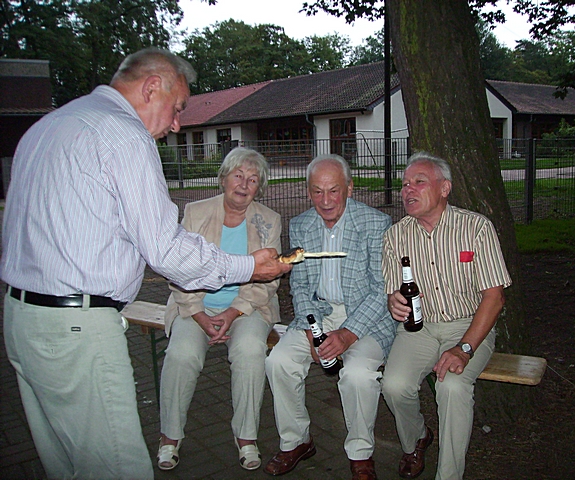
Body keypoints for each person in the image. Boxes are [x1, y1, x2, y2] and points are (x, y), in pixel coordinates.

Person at [0, 48, 290, 480]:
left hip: (21, 318)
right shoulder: (124, 136)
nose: (176, 124)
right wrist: (247, 267)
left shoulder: (48, 127)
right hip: (77, 329)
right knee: (117, 466)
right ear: (152, 86)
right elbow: (166, 250)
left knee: (66, 461)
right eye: (178, 108)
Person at [263, 154, 396, 480]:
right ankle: (296, 441)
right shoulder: (301, 225)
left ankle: (360, 453)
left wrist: (348, 333)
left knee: (358, 376)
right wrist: (312, 329)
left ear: (349, 188)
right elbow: (300, 285)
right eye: (317, 191)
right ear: (308, 191)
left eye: (334, 190)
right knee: (279, 361)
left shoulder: (376, 223)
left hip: (365, 317)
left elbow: (382, 289)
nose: (325, 201)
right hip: (319, 314)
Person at [380, 152, 512, 480]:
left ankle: (449, 475)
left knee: (452, 387)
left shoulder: (476, 227)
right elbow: (393, 291)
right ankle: (416, 439)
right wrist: (394, 302)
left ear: (444, 188)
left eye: (419, 182)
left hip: (469, 325)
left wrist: (464, 348)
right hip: (420, 328)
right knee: (394, 386)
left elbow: (494, 298)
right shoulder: (395, 235)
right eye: (404, 184)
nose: (408, 190)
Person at [157, 147, 281, 472]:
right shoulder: (195, 212)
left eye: (252, 179)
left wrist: (231, 313)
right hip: (194, 304)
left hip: (247, 307)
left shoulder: (269, 220)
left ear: (259, 188)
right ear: (223, 178)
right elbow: (178, 269)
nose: (243, 184)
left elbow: (268, 280)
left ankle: (246, 436)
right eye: (238, 176)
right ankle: (170, 435)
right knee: (181, 354)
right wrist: (199, 315)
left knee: (250, 350)